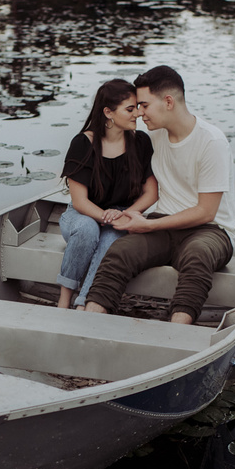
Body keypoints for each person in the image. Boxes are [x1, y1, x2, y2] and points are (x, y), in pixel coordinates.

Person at [84, 66, 235, 324]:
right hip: (162, 225)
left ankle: (175, 337)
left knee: (197, 255)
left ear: (168, 102)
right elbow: (108, 143)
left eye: (144, 105)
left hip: (211, 230)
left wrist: (148, 224)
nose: (139, 112)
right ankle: (88, 326)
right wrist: (125, 213)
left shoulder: (212, 142)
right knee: (120, 250)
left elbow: (206, 211)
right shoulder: (153, 138)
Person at [55, 79, 158, 309]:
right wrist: (106, 217)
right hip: (82, 215)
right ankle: (64, 299)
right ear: (108, 112)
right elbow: (79, 201)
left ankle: (84, 303)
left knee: (111, 240)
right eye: (130, 109)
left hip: (123, 215)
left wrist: (126, 215)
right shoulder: (83, 143)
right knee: (87, 229)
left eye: (138, 108)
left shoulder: (140, 142)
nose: (138, 115)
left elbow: (151, 193)